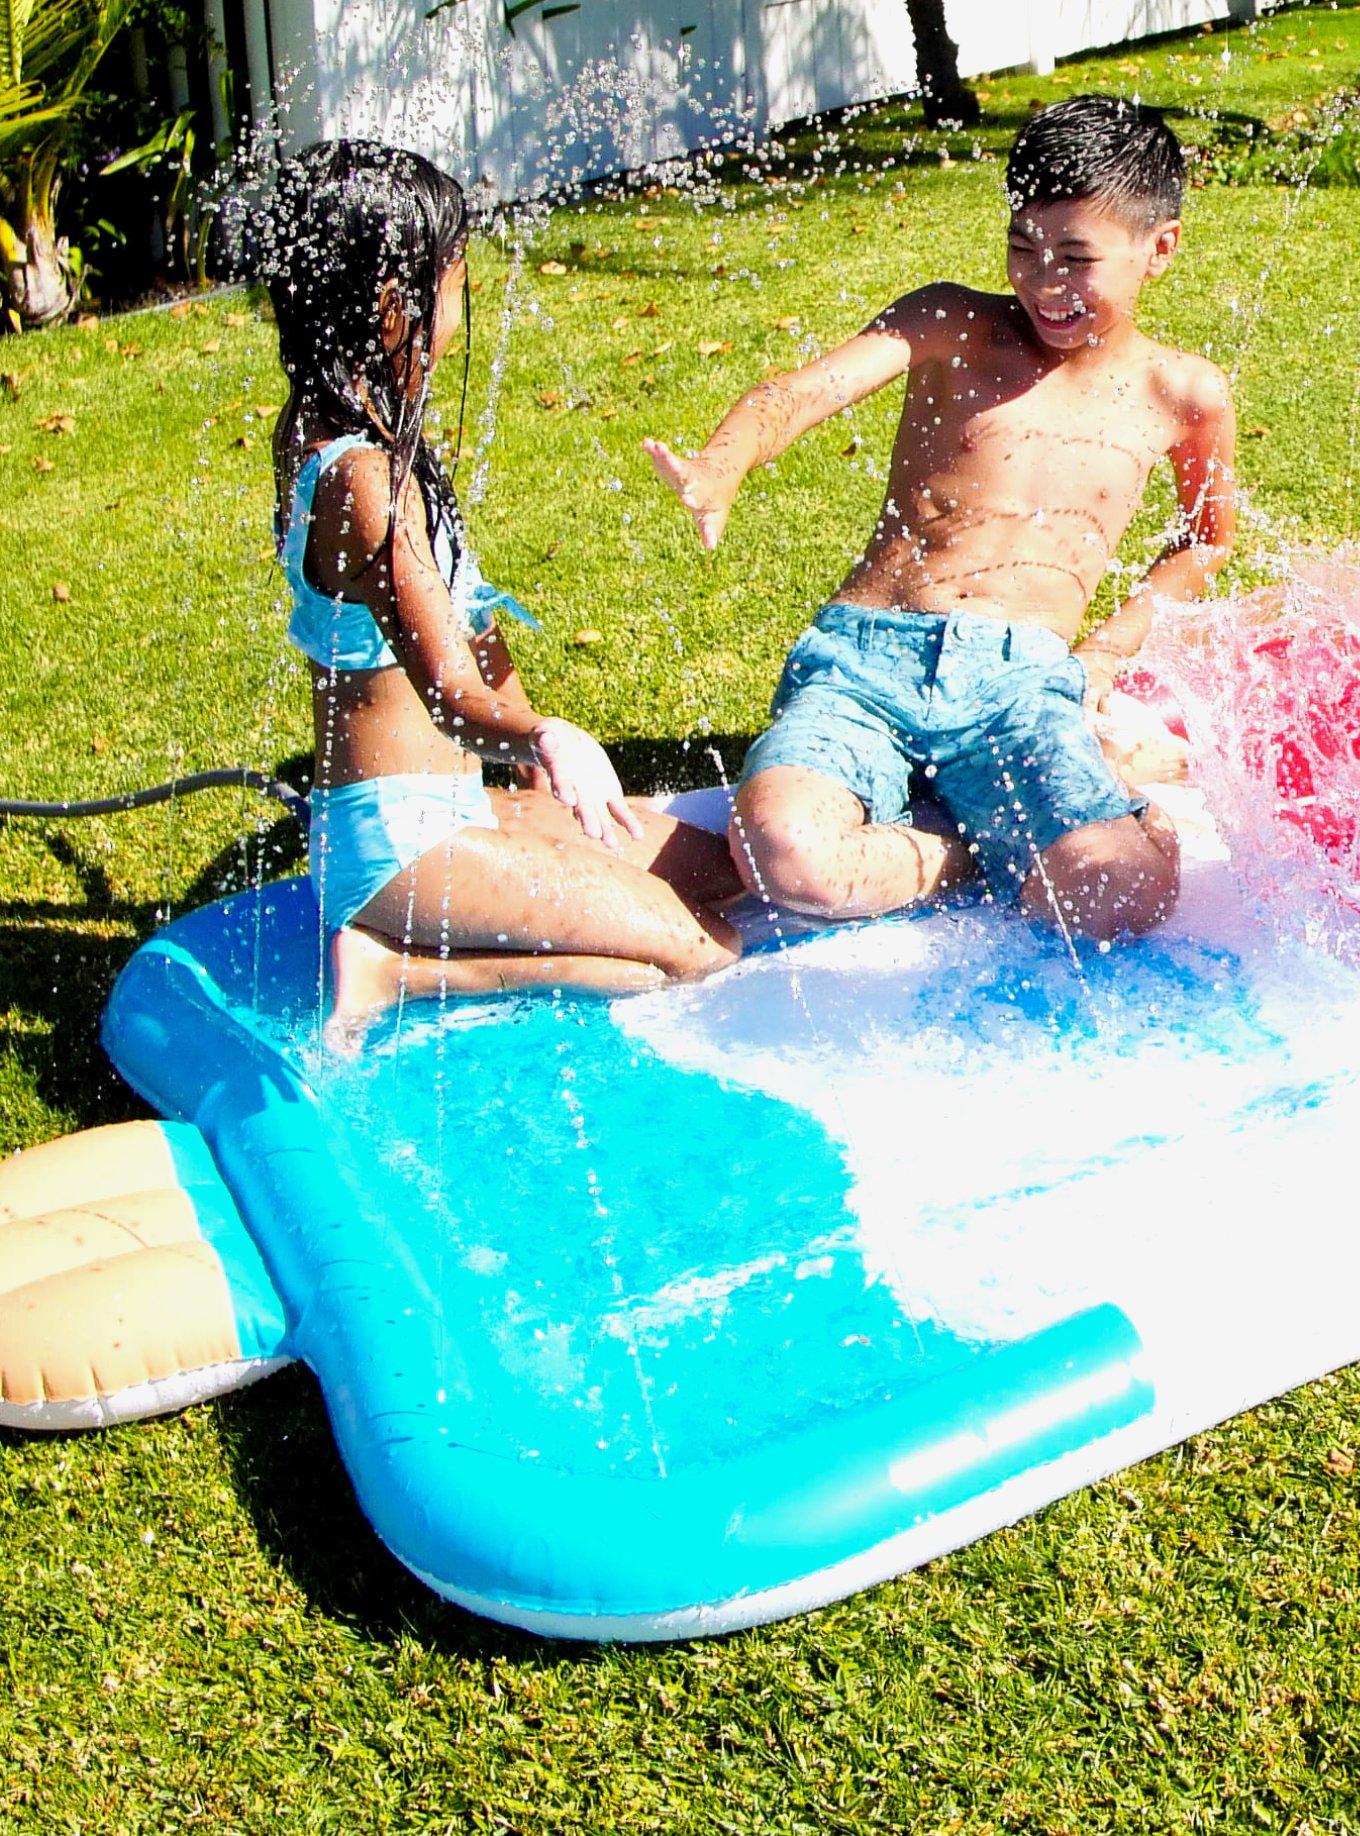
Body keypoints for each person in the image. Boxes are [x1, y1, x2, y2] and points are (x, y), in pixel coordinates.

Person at [646, 94, 1237, 941]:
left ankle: (1106, 809)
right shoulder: (951, 321)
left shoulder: (1182, 394)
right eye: (1022, 248)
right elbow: (801, 393)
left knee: (1115, 898)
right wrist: (724, 461)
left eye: (1076, 257)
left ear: (1161, 247)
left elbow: (1206, 540)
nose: (1042, 282)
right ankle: (966, 847)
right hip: (866, 660)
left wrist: (1104, 650)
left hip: (1023, 680)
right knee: (785, 857)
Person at [263, 141, 741, 1040]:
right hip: (400, 846)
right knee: (699, 947)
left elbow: (468, 625)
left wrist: (526, 767)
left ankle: (416, 949)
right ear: (388, 302)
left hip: (460, 807)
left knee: (722, 873)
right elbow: (446, 694)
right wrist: (547, 735)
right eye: (452, 280)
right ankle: (392, 968)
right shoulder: (356, 475)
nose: (458, 307)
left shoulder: (378, 428)